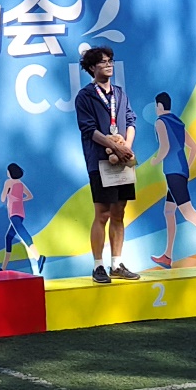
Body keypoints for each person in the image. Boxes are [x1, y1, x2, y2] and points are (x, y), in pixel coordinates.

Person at [75, 45, 140, 283]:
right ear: (92, 67)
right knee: (102, 213)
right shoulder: (85, 96)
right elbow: (88, 129)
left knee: (119, 212)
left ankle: (117, 264)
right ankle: (98, 266)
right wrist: (114, 146)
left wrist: (126, 147)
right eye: (103, 62)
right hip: (99, 161)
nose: (108, 65)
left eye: (110, 60)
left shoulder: (120, 94)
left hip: (122, 160)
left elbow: (131, 120)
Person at [145, 93, 196, 268]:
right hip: (180, 170)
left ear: (159, 106)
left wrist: (155, 160)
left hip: (172, 171)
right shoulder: (177, 122)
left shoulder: (160, 122)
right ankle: (167, 256)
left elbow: (165, 147)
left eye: (156, 106)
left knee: (187, 211)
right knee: (169, 211)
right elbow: (193, 147)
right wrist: (186, 166)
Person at [0, 163, 44, 274]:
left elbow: (2, 198)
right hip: (20, 213)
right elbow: (30, 196)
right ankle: (3, 267)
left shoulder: (8, 182)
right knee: (8, 237)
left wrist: (9, 196)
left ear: (10, 172)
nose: (7, 173)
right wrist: (20, 200)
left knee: (23, 234)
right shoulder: (20, 184)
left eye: (8, 171)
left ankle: (38, 257)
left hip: (13, 213)